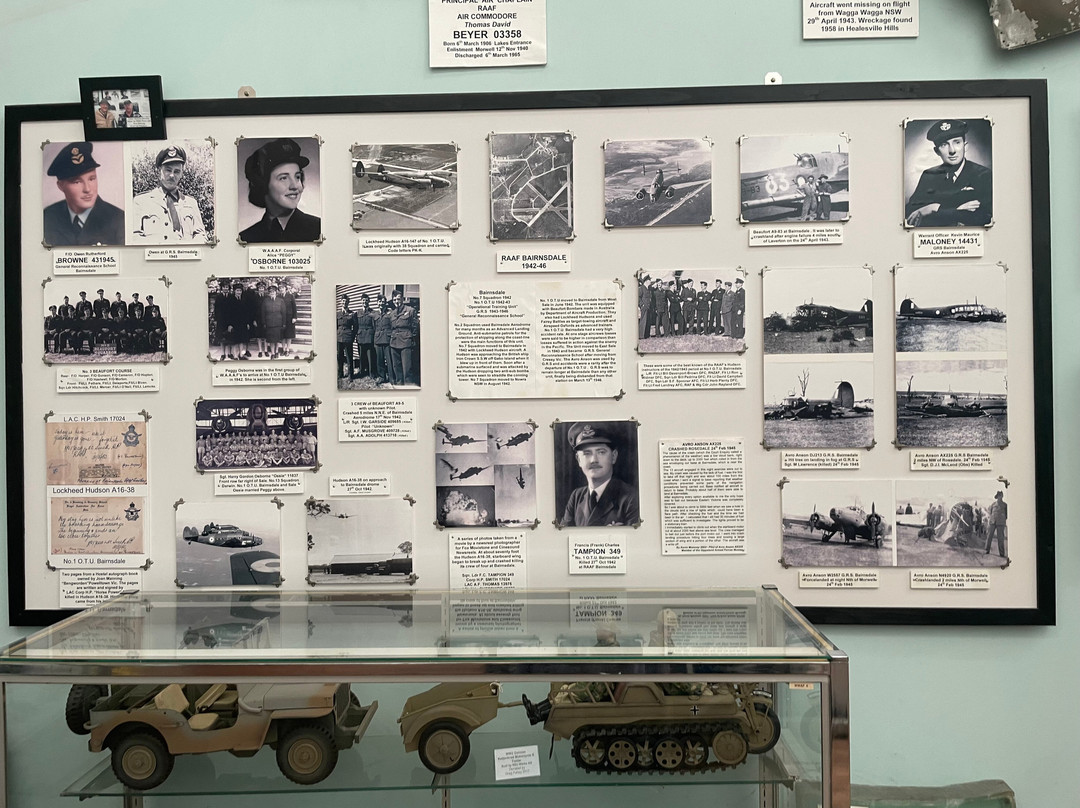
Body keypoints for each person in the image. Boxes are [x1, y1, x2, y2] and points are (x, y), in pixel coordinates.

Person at [905, 119, 992, 227]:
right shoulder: (929, 175)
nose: (952, 150)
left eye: (957, 142)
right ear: (937, 151)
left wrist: (932, 209)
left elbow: (984, 217)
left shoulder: (983, 175)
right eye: (944, 144)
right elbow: (910, 211)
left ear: (965, 146)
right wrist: (956, 210)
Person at [239, 138, 321, 243]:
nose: (295, 186)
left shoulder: (319, 230)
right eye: (283, 178)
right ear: (262, 184)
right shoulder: (246, 238)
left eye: (297, 177)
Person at [43, 142, 125, 246]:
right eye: (77, 182)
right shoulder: (48, 217)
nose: (87, 189)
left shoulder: (119, 219)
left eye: (92, 179)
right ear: (60, 186)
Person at [559, 422, 639, 527]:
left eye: (601, 452)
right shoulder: (576, 497)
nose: (594, 460)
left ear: (614, 456)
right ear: (578, 460)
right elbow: (562, 534)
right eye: (587, 453)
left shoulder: (631, 498)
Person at [131, 145, 207, 242]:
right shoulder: (141, 202)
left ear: (181, 174)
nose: (172, 175)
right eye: (168, 170)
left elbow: (201, 236)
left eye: (177, 171)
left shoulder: (191, 203)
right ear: (159, 170)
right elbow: (134, 237)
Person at [389, 290, 418, 386]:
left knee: (407, 368)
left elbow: (415, 327)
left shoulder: (410, 310)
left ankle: (408, 385)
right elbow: (391, 327)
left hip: (406, 342)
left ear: (402, 299)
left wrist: (411, 339)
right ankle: (399, 385)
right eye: (394, 300)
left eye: (398, 299)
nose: (396, 301)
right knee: (396, 367)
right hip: (394, 342)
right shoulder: (392, 313)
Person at [336, 295, 358, 380]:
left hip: (348, 338)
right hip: (339, 338)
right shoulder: (337, 314)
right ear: (341, 302)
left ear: (348, 302)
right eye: (343, 301)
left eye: (346, 301)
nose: (344, 303)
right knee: (339, 356)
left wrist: (352, 337)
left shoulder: (352, 314)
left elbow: (355, 327)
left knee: (349, 357)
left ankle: (350, 375)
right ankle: (340, 373)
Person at [985, 490, 1007, 558]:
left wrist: (1002, 519)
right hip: (992, 522)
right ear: (997, 497)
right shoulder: (993, 504)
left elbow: (1007, 514)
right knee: (989, 536)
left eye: (1000, 495)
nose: (999, 497)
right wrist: (991, 518)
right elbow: (989, 512)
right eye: (998, 496)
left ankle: (1002, 553)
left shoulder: (1005, 505)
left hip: (1000, 523)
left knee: (1000, 538)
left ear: (1002, 496)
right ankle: (987, 550)